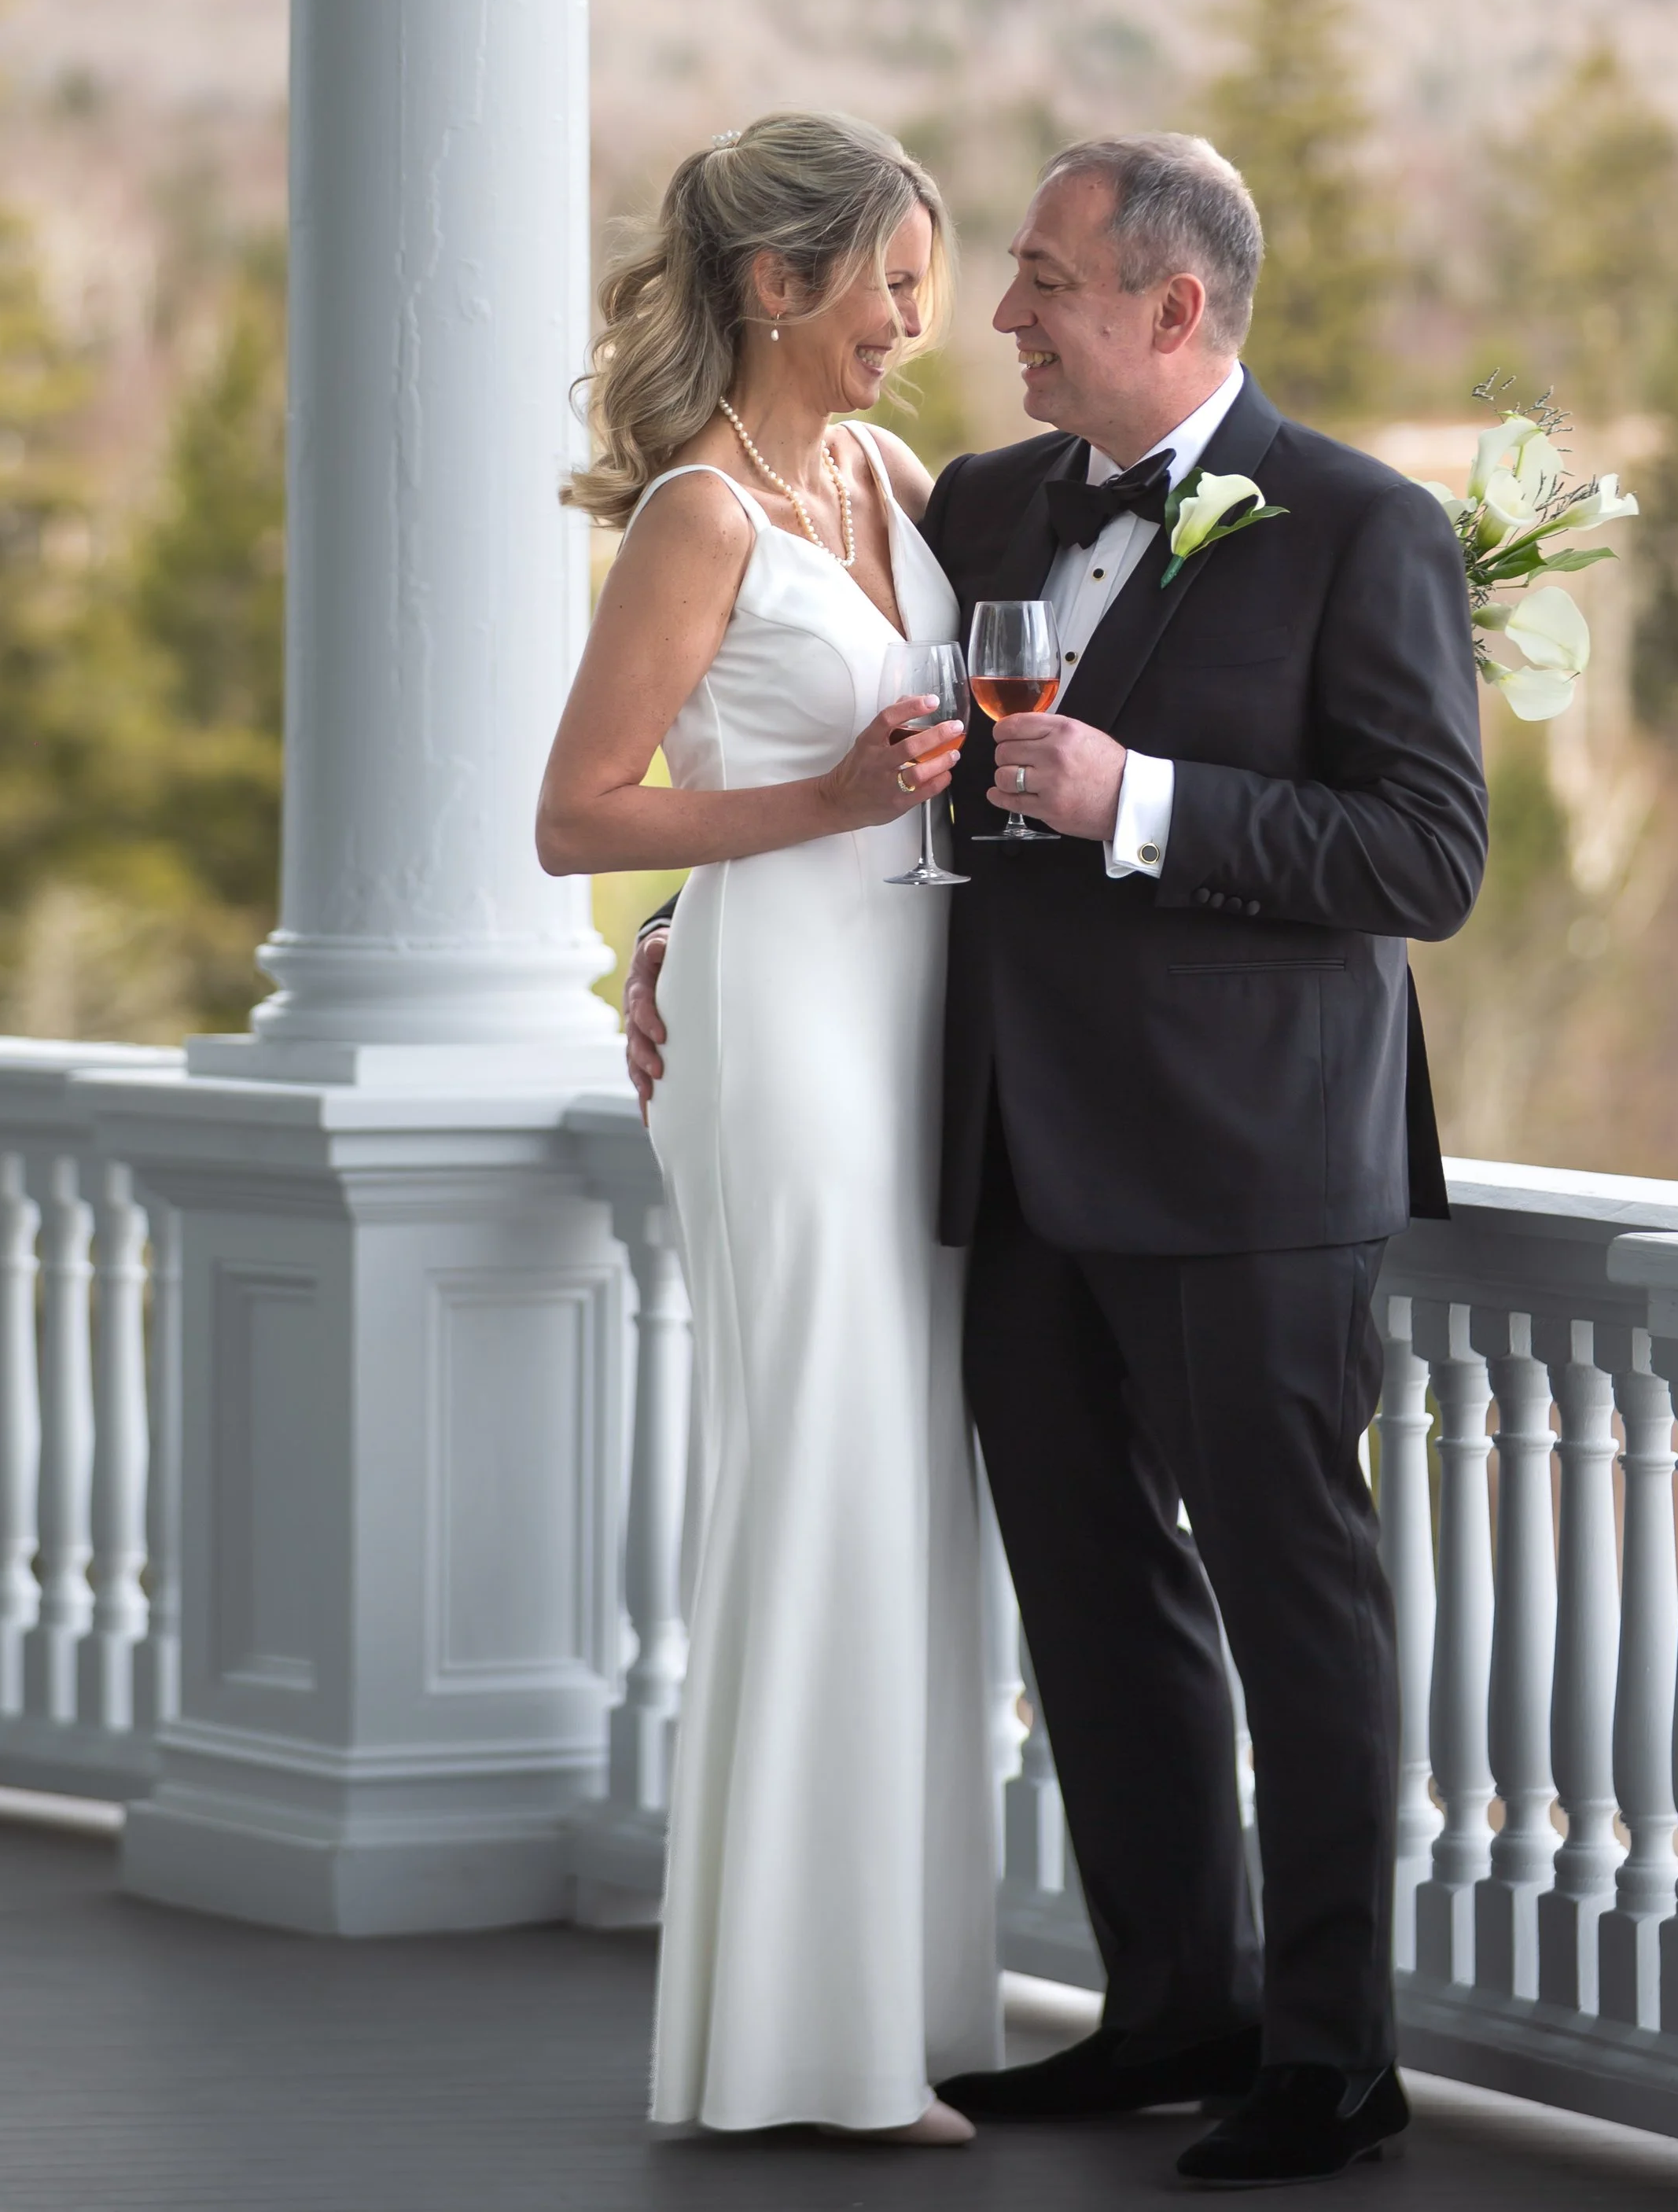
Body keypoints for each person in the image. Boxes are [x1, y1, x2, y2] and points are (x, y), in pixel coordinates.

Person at [627, 131, 1488, 2191]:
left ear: (1173, 308)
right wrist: (682, 929)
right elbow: (854, 766)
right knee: (1095, 1604)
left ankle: (1330, 2052)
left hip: (1251, 1161)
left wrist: (1143, 795)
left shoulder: (1360, 526)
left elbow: (1424, 856)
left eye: (1040, 282)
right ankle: (1168, 2005)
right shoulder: (982, 501)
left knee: (1297, 1608)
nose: (996, 317)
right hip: (1007, 1150)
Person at [537, 112, 1001, 2145]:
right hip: (790, 1022)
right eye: (892, 280)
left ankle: (900, 1998)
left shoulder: (892, 479)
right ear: (775, 284)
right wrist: (781, 840)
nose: (919, 318)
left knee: (909, 1480)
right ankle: (791, 2040)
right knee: (815, 1467)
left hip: (914, 1010)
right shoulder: (693, 519)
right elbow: (578, 811)